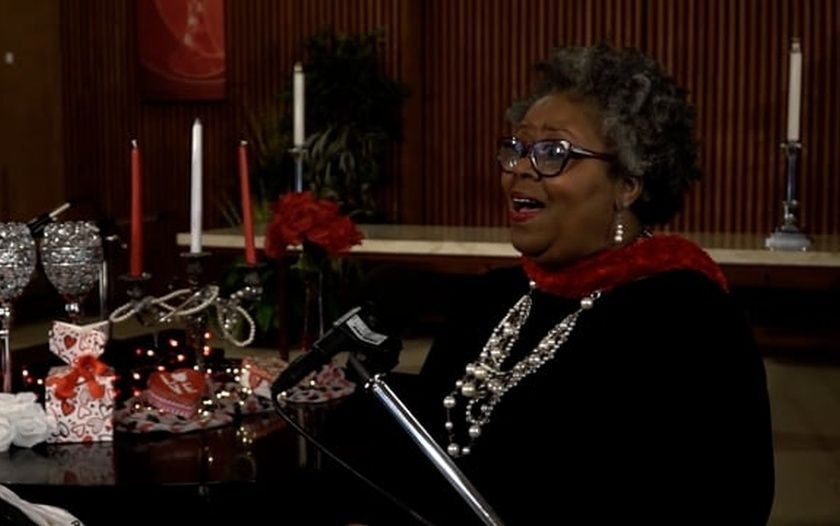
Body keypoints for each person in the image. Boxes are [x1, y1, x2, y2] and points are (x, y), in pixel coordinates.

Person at [327, 42, 774, 525]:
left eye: (553, 152)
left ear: (627, 182)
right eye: (517, 148)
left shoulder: (687, 317)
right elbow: (432, 450)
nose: (519, 168)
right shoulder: (490, 298)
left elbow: (729, 502)